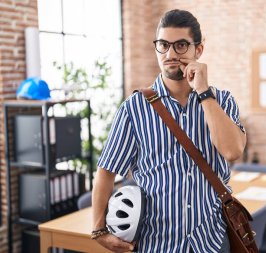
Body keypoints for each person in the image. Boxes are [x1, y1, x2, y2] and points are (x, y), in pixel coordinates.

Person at [92, 9, 246, 253]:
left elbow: (232, 151)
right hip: (156, 245)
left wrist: (204, 93)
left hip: (211, 243)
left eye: (181, 45)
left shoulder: (222, 101)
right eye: (163, 45)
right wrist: (99, 229)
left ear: (199, 49)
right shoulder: (133, 109)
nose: (171, 54)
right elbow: (106, 171)